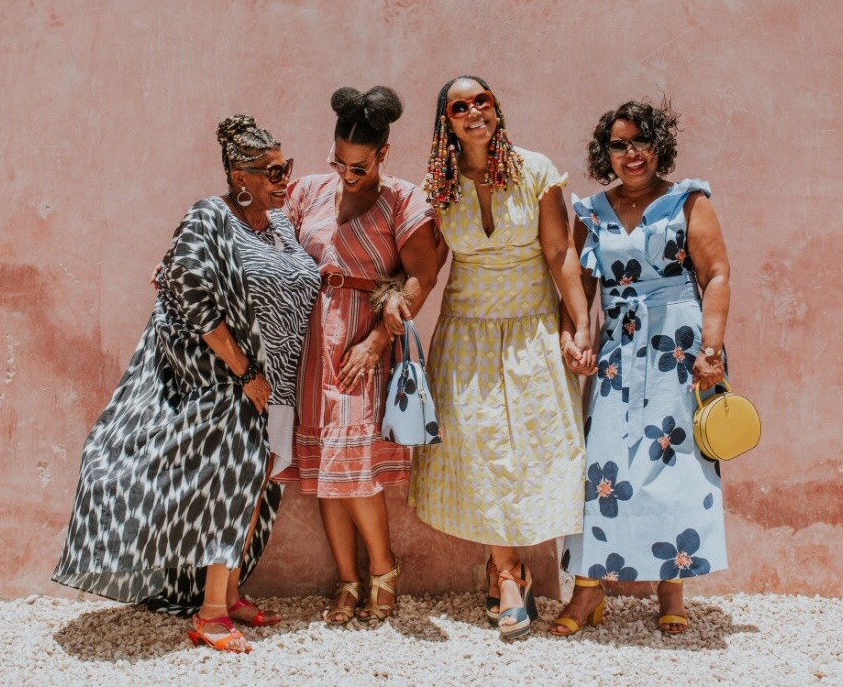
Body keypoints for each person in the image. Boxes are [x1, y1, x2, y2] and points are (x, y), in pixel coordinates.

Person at [53, 115, 320, 653]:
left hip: (279, 382)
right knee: (232, 485)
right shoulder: (209, 216)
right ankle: (211, 613)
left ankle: (233, 589)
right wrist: (244, 371)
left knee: (259, 487)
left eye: (285, 167)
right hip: (230, 383)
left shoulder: (281, 225)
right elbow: (188, 292)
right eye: (271, 171)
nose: (282, 179)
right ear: (238, 177)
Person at [409, 75, 594, 640]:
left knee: (538, 448)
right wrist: (388, 308)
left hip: (533, 328)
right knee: (482, 451)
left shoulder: (535, 170)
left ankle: (518, 571)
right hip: (466, 332)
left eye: (480, 101)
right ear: (448, 122)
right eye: (459, 107)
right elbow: (428, 265)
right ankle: (508, 574)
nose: (472, 113)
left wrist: (579, 325)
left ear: (496, 108)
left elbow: (561, 253)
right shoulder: (438, 185)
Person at [553, 100, 730, 637]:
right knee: (601, 466)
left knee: (675, 466)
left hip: (678, 348)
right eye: (618, 144)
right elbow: (580, 287)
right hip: (617, 352)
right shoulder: (590, 212)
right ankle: (587, 591)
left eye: (640, 141)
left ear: (659, 145)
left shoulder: (687, 201)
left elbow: (717, 274)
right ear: (605, 153)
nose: (630, 154)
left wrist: (712, 349)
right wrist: (577, 334)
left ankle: (671, 587)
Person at [274, 86, 440, 624]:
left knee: (357, 465)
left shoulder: (403, 200)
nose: (347, 173)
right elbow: (257, 238)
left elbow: (423, 275)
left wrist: (376, 341)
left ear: (383, 155)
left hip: (366, 336)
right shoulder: (307, 194)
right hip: (313, 339)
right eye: (339, 161)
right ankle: (348, 580)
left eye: (359, 165)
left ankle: (384, 571)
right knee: (326, 466)